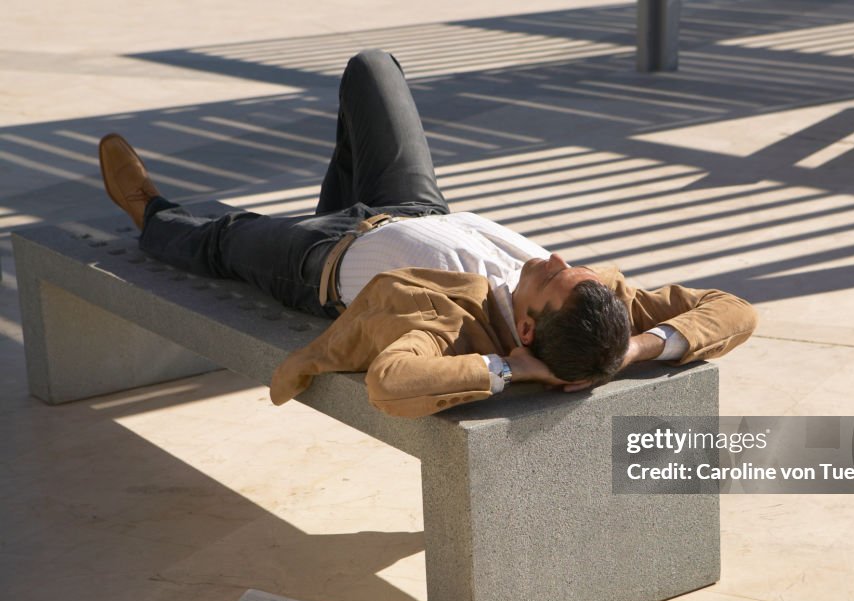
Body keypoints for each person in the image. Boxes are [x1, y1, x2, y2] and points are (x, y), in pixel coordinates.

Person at [97, 49, 756, 418]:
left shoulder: (448, 325)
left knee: (220, 240)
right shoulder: (601, 308)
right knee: (373, 67)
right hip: (413, 204)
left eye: (551, 274)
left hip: (319, 262)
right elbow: (736, 311)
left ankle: (149, 211)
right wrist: (637, 348)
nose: (556, 256)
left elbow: (393, 382)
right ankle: (339, 193)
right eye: (568, 265)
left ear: (526, 330)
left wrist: (504, 369)